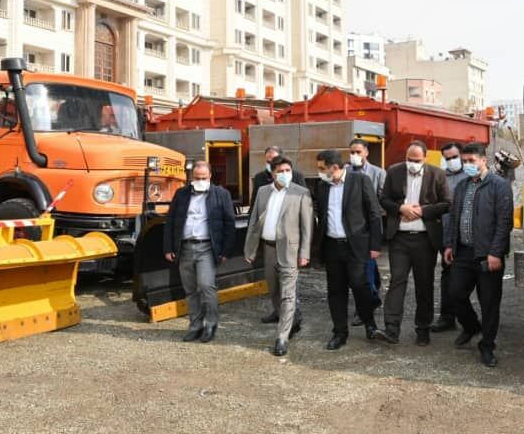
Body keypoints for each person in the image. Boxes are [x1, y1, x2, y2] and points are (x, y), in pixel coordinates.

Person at [443, 142, 514, 367]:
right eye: (464, 161)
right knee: (455, 294)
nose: (467, 165)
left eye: (471, 161)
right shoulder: (462, 186)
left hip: (487, 255)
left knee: (489, 303)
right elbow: (455, 217)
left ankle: (487, 345)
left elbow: (505, 222)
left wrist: (495, 252)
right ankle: (472, 327)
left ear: (483, 160)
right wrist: (449, 245)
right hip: (463, 252)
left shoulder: (499, 186)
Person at [313, 149, 390, 349]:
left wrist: (375, 245)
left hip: (356, 245)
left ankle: (370, 325)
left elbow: (374, 214)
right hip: (332, 246)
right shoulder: (322, 186)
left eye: (322, 168)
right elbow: (320, 215)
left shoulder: (360, 180)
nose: (319, 172)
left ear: (334, 167)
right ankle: (340, 332)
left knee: (360, 285)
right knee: (336, 291)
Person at [379, 140, 451, 346]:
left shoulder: (437, 174)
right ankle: (391, 329)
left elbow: (447, 203)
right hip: (399, 239)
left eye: (417, 160)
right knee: (397, 281)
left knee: (424, 285)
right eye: (409, 160)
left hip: (424, 240)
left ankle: (423, 329)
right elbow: (384, 199)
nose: (412, 164)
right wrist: (401, 208)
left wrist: (422, 211)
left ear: (425, 158)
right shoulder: (394, 172)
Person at [244, 156, 313, 356]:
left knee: (288, 294)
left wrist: (305, 253)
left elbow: (307, 227)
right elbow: (254, 221)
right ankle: (292, 320)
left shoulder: (301, 193)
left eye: (287, 170)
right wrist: (250, 248)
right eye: (280, 171)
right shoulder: (263, 192)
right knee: (274, 290)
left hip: (290, 251)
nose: (284, 174)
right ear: (272, 173)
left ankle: (282, 337)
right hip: (269, 249)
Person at [163, 161, 236, 343]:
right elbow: (171, 221)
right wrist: (168, 247)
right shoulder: (181, 194)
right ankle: (195, 325)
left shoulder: (221, 195)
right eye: (197, 178)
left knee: (206, 286)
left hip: (207, 248)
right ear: (191, 178)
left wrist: (226, 250)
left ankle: (211, 323)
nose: (200, 181)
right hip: (185, 247)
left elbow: (229, 224)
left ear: (210, 176)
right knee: (189, 289)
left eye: (204, 178)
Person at [348, 138, 386, 326]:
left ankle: (364, 308)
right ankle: (371, 298)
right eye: (352, 152)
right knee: (360, 270)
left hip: (367, 230)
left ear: (366, 152)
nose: (354, 155)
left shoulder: (377, 173)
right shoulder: (345, 172)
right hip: (349, 231)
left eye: (358, 152)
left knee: (366, 272)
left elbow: (383, 200)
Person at [433, 142, 469, 333]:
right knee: (447, 275)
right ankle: (447, 317)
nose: (452, 161)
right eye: (448, 158)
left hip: (469, 234)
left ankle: (472, 320)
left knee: (472, 277)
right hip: (447, 234)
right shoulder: (441, 177)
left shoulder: (470, 175)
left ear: (462, 155)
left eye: (454, 157)